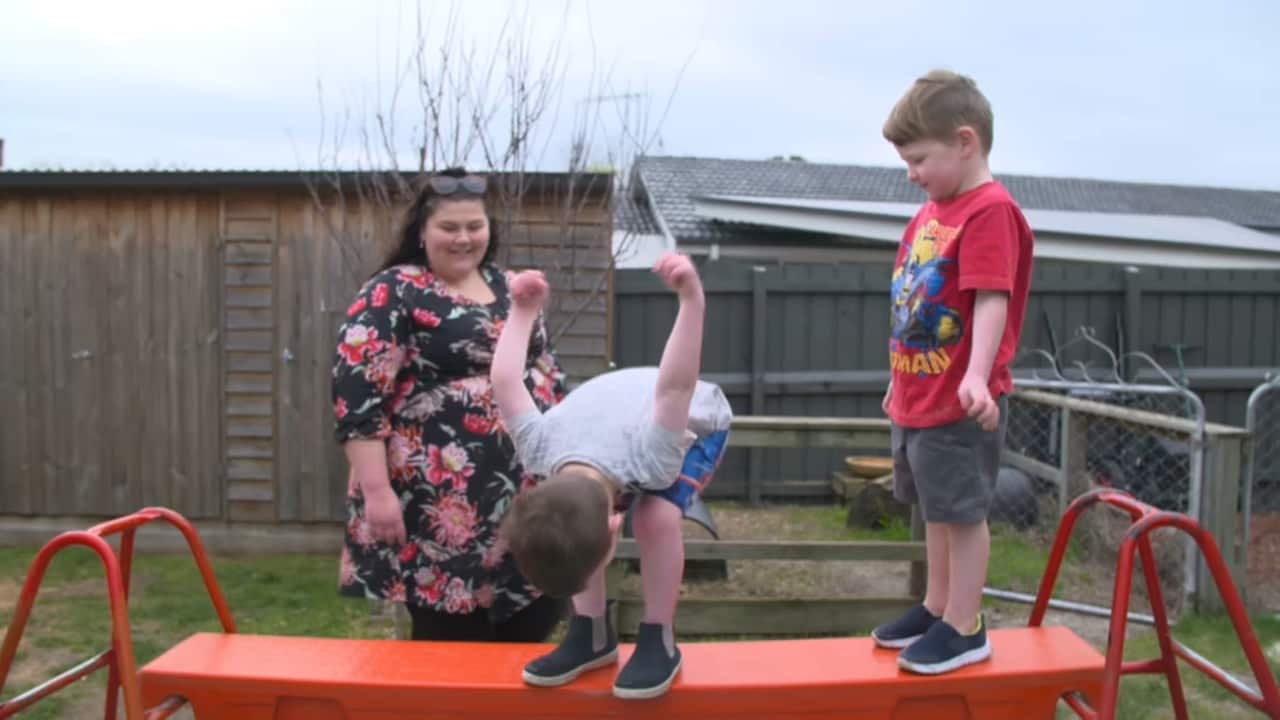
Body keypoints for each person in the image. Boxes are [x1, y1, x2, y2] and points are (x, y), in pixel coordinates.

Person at [332, 167, 568, 642]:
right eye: (449, 227)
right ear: (422, 231)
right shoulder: (393, 291)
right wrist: (377, 493)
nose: (464, 238)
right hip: (436, 505)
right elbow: (358, 398)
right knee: (452, 640)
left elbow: (546, 370)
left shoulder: (508, 287)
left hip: (524, 497)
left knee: (535, 621)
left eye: (474, 226)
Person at [491, 252, 731, 700]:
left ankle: (659, 636)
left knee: (656, 518)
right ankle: (591, 634)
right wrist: (521, 310)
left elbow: (677, 386)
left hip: (695, 417)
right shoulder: (540, 450)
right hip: (615, 411)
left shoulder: (654, 456)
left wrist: (691, 298)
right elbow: (505, 383)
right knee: (566, 524)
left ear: (612, 527)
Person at [871, 69, 1035, 675]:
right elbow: (916, 301)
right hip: (918, 390)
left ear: (966, 143)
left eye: (919, 158)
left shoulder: (989, 211)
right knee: (935, 509)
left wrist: (977, 375)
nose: (911, 172)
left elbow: (992, 295)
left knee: (962, 514)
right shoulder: (933, 211)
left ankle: (965, 626)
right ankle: (937, 607)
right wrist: (901, 374)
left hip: (959, 397)